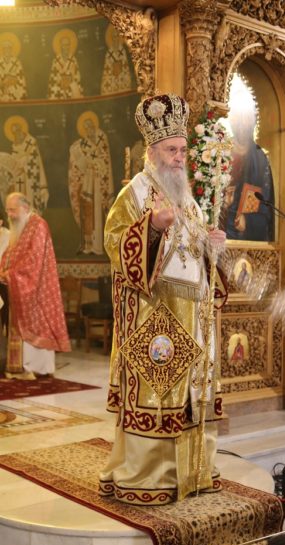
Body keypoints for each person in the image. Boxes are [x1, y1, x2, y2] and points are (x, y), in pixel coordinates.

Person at [99, 92, 227, 506]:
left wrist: (212, 247)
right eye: (171, 150)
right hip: (154, 316)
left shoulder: (188, 200)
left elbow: (194, 258)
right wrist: (151, 226)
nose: (178, 158)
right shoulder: (134, 194)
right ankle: (150, 475)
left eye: (183, 150)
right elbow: (114, 245)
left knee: (189, 398)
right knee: (157, 394)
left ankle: (193, 471)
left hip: (192, 317)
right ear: (151, 151)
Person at [0, 192, 70, 379]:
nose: (9, 215)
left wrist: (10, 274)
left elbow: (34, 259)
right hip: (18, 287)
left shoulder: (38, 225)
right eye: (7, 210)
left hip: (37, 290)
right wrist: (3, 270)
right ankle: (19, 367)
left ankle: (36, 368)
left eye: (13, 210)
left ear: (25, 208)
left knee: (35, 327)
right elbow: (10, 253)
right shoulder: (20, 227)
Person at [223, 75, 275, 241]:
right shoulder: (220, 153)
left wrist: (248, 221)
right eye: (237, 116)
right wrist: (223, 203)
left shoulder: (260, 159)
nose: (242, 123)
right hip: (220, 232)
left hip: (247, 238)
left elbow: (267, 210)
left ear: (253, 120)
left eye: (246, 117)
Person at [68, 111, 114, 255]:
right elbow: (77, 165)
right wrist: (82, 163)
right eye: (86, 127)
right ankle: (88, 245)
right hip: (87, 181)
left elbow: (105, 160)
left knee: (99, 210)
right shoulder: (81, 144)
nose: (88, 129)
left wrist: (95, 164)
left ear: (95, 125)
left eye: (90, 125)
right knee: (87, 210)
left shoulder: (101, 138)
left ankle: (99, 245)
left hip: (99, 182)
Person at [4, 115, 49, 215]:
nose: (17, 134)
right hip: (17, 184)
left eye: (18, 130)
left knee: (30, 207)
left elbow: (37, 166)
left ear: (22, 130)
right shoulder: (12, 148)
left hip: (29, 183)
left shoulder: (31, 145)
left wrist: (24, 164)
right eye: (14, 132)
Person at [48, 29, 83, 99]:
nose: (66, 47)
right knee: (55, 91)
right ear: (61, 46)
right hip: (59, 86)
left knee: (75, 90)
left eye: (68, 45)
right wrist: (61, 81)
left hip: (71, 85)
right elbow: (53, 77)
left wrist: (70, 81)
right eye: (64, 45)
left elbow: (77, 76)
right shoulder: (56, 60)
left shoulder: (73, 60)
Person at [100, 24, 132, 95]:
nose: (116, 39)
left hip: (122, 75)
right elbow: (107, 68)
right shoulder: (109, 53)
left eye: (117, 36)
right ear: (112, 38)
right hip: (112, 76)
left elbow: (125, 65)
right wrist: (113, 71)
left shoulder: (122, 50)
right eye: (114, 36)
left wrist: (120, 69)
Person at [0, 33, 27, 102]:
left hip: (14, 89)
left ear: (11, 49)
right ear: (2, 50)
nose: (7, 50)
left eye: (8, 48)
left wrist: (12, 80)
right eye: (5, 48)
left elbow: (21, 78)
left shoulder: (17, 62)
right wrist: (2, 83)